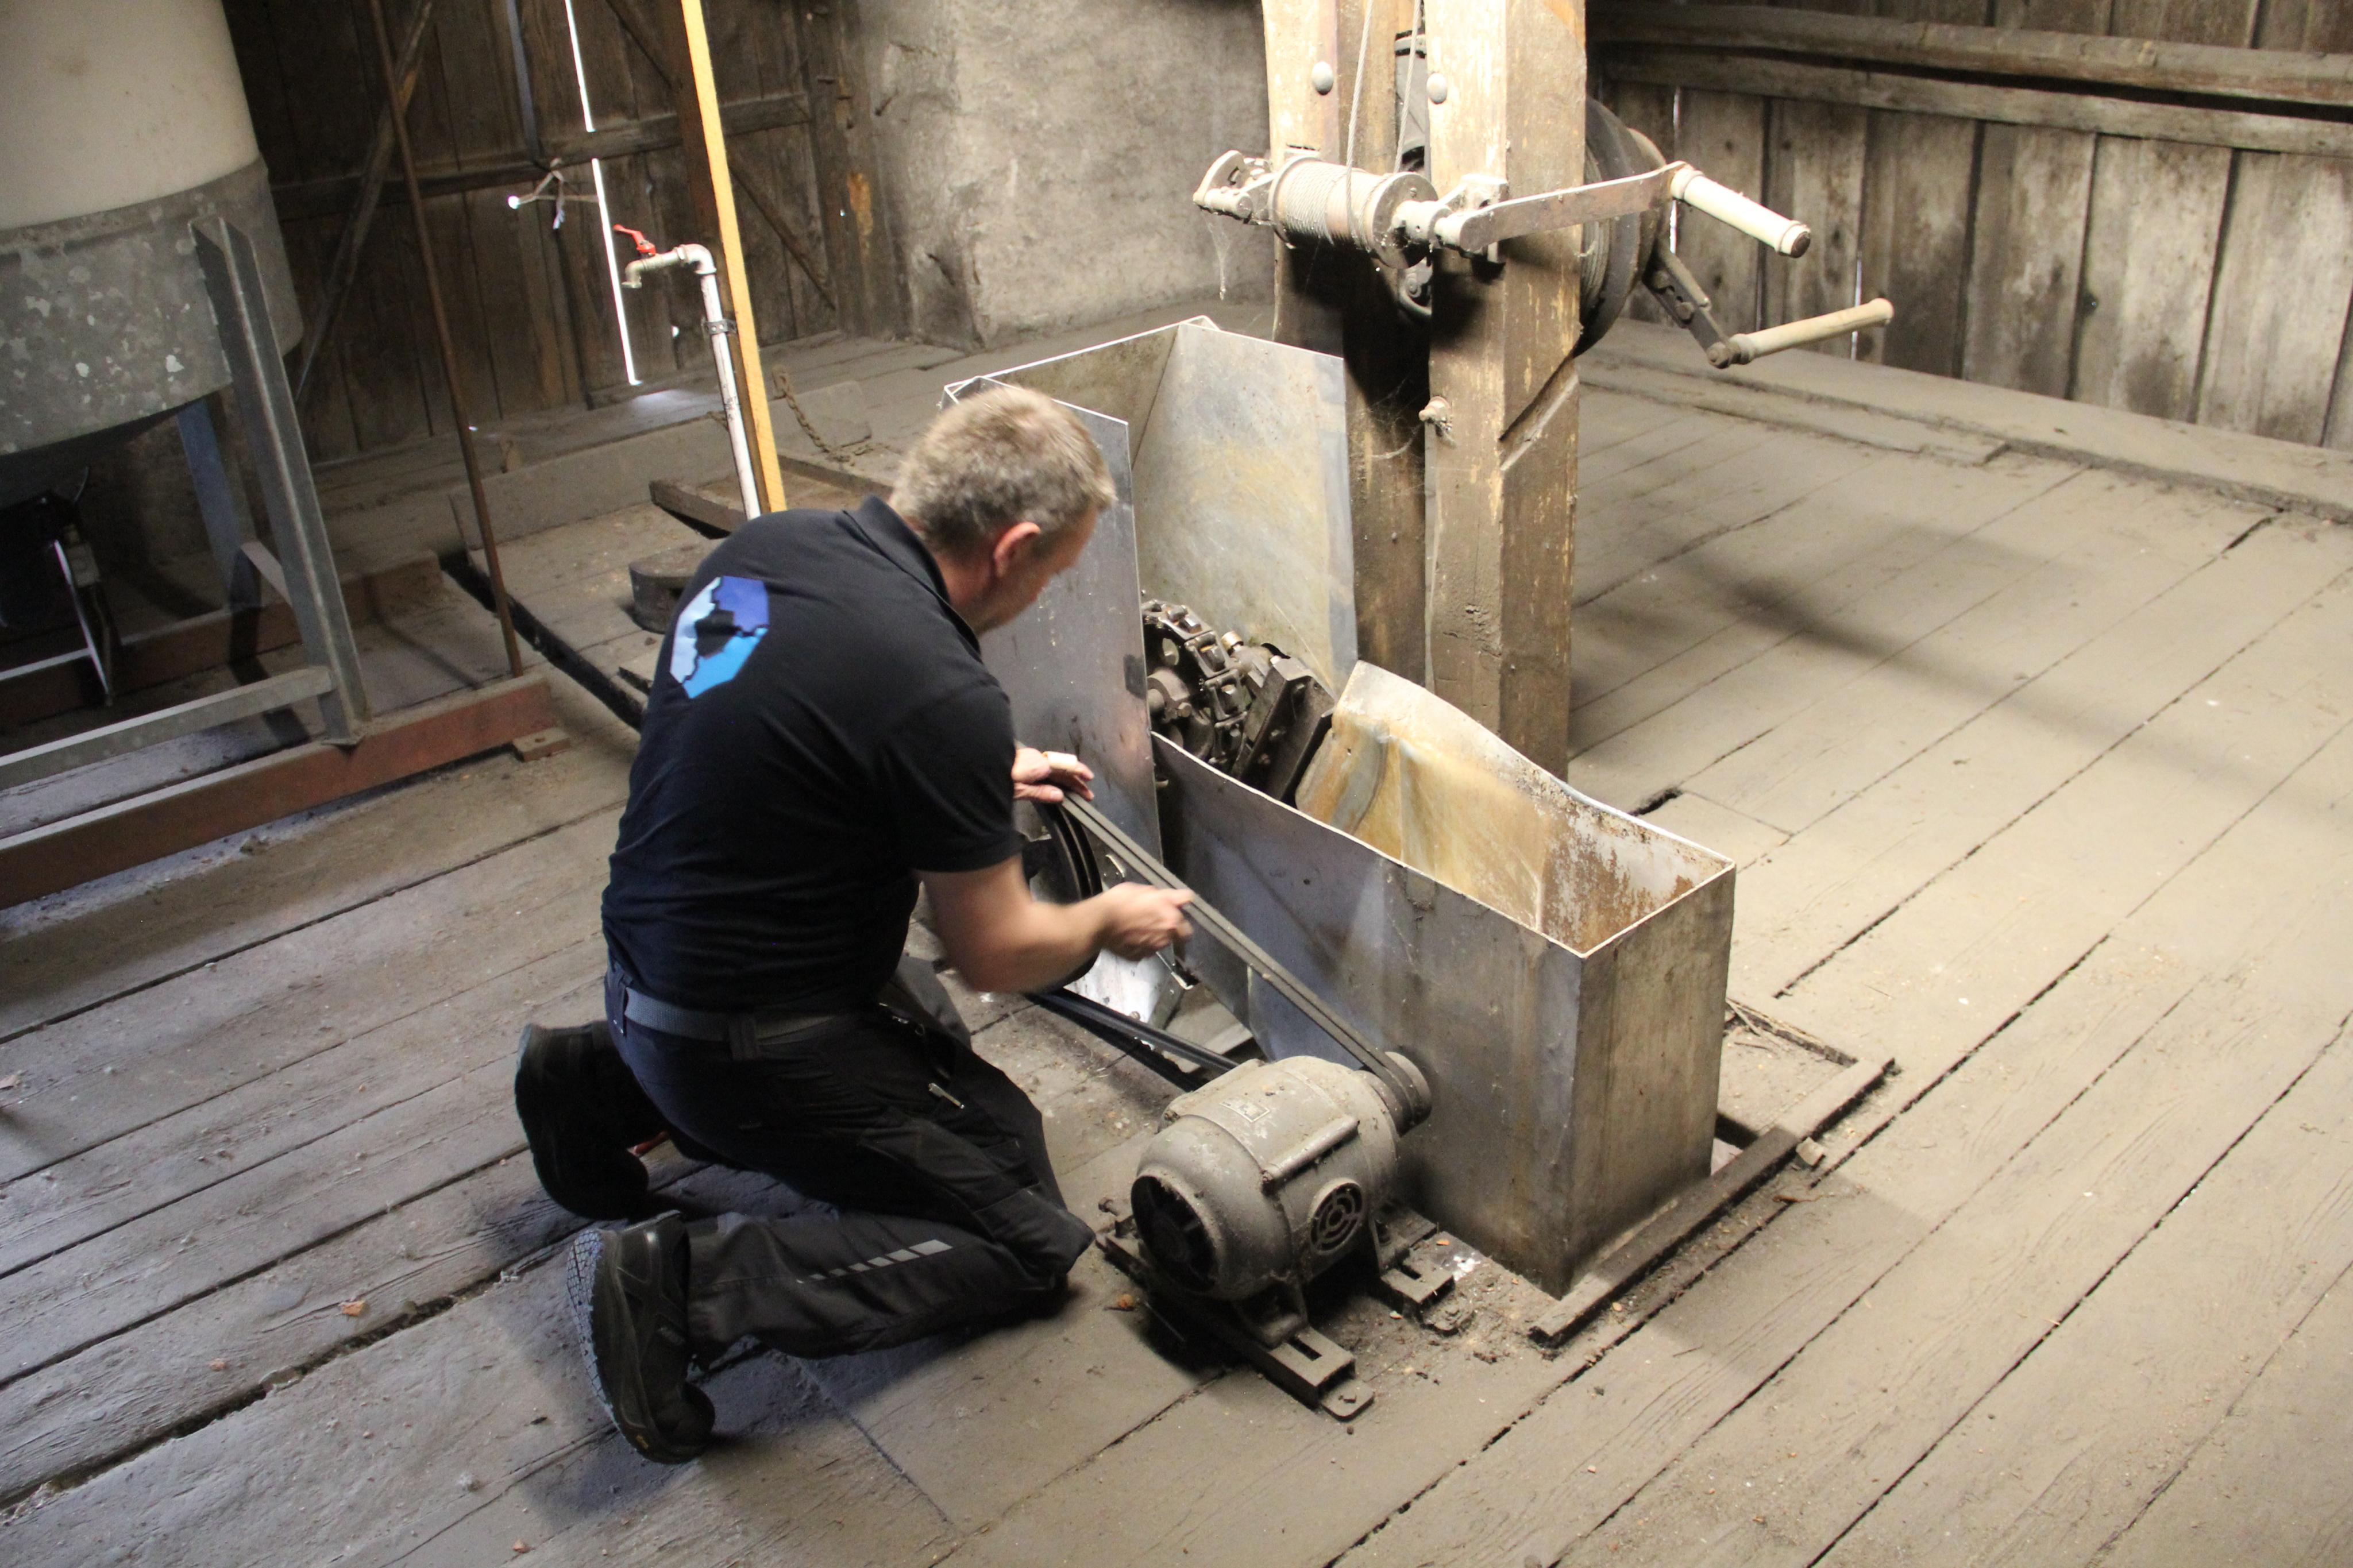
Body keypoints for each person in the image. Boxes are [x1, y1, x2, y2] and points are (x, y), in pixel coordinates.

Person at [515, 386, 1194, 1463]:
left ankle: (591, 1080)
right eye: (1054, 573)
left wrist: (970, 775)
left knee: (997, 1121)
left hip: (648, 972)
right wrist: (1109, 916)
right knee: (1020, 1235)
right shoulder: (938, 684)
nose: (1045, 592)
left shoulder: (770, 548)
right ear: (1013, 548)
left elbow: (784, 738)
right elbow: (995, 954)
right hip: (742, 1044)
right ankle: (684, 1294)